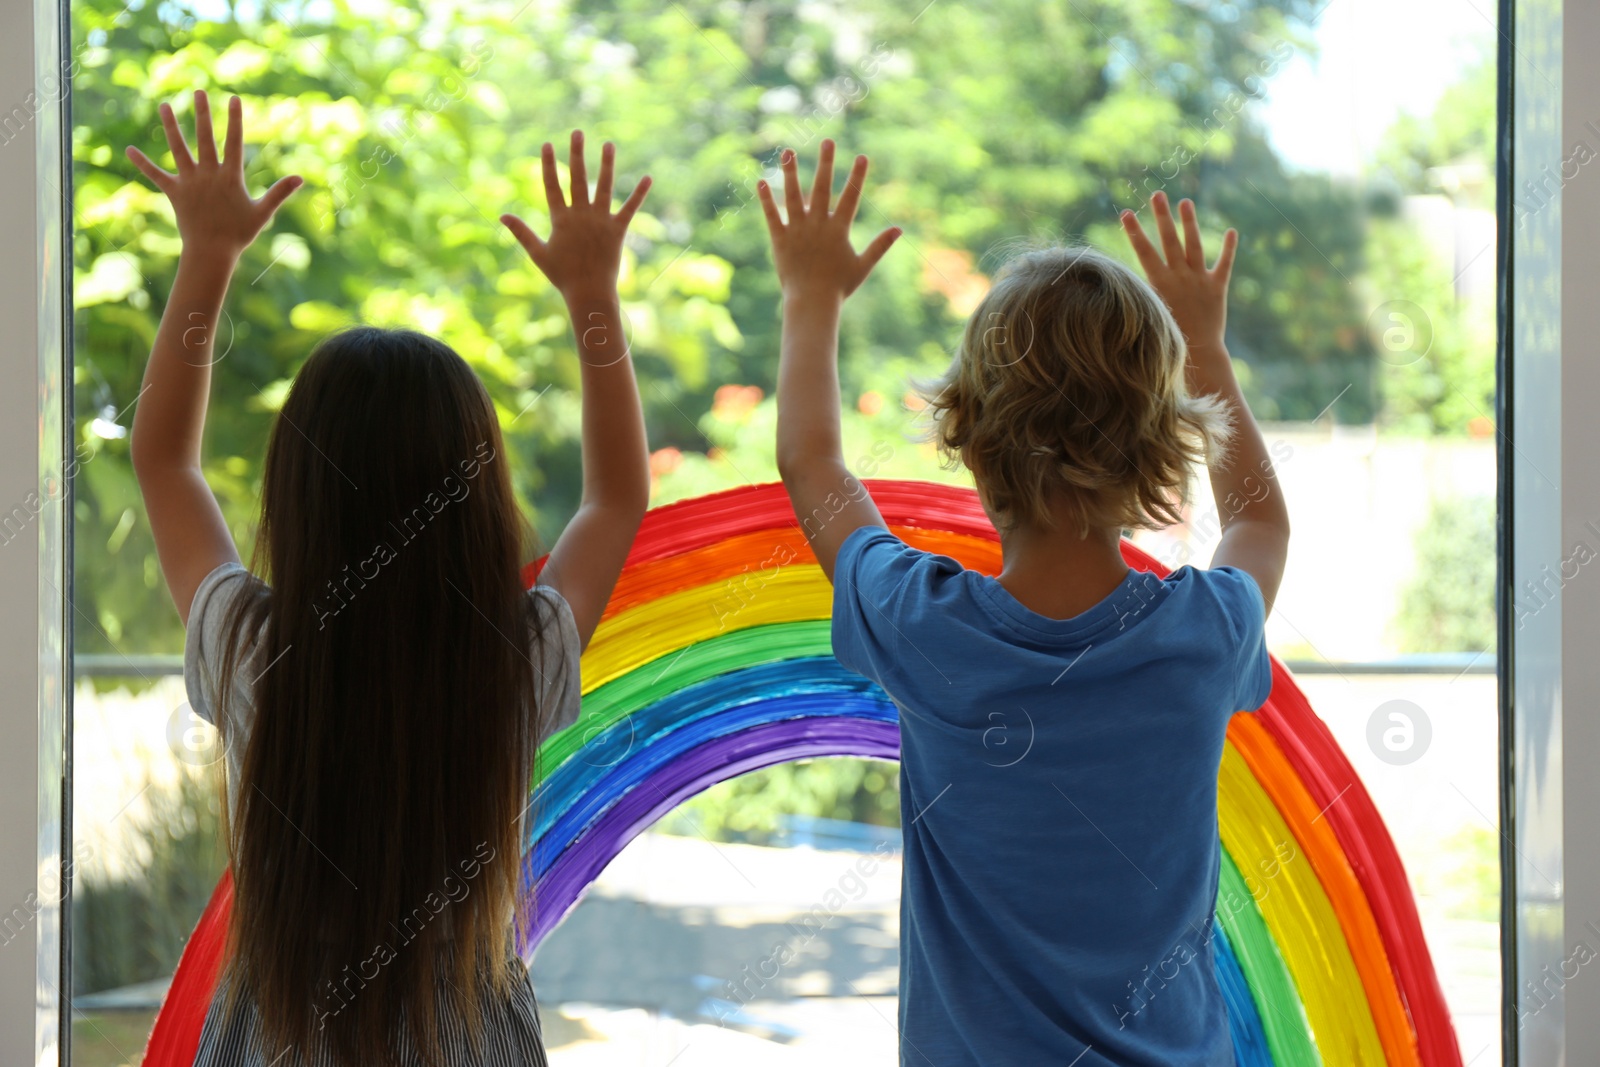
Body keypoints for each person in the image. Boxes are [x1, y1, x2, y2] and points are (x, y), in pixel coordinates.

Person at [126, 90, 652, 1066]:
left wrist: (206, 260)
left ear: (297, 492)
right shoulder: (512, 659)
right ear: (476, 493)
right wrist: (592, 297)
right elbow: (617, 496)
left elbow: (162, 461)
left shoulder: (253, 647)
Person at [759, 140, 1290, 1065]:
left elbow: (813, 466)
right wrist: (1204, 344)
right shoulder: (1202, 637)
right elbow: (1261, 526)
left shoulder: (923, 625)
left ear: (965, 438)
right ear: (1164, 448)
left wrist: (812, 297)